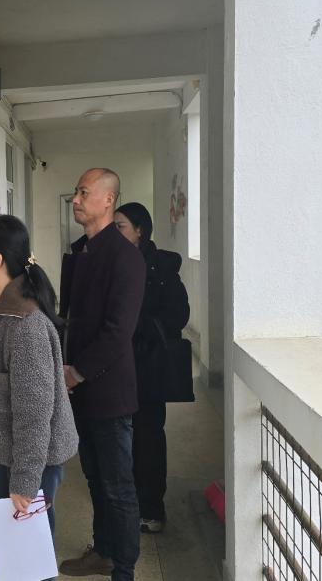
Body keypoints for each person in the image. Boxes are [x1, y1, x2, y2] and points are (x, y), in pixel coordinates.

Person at [0, 215, 79, 581]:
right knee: (11, 560)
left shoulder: (25, 326)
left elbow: (35, 413)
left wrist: (24, 481)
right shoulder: (2, 311)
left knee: (25, 565)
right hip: (14, 455)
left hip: (33, 461)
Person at [58, 169, 145, 581]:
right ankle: (104, 551)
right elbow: (72, 319)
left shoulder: (125, 257)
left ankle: (124, 570)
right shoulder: (81, 251)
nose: (75, 199)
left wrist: (76, 372)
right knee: (94, 478)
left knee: (118, 487)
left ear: (108, 200)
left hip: (108, 391)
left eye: (83, 192)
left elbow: (117, 332)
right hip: (81, 391)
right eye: (75, 192)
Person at [115, 202, 190, 534]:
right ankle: (126, 503)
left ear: (140, 231)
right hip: (118, 366)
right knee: (121, 436)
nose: (115, 233)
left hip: (148, 367)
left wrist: (140, 325)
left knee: (148, 437)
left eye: (121, 227)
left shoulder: (162, 268)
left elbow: (179, 315)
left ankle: (151, 508)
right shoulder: (114, 263)